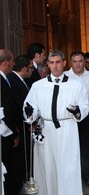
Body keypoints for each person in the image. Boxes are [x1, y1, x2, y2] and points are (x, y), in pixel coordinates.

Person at [23, 50, 89, 195]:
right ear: (47, 64)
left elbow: (85, 105)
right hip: (46, 130)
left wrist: (78, 110)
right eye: (51, 63)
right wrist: (29, 113)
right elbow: (30, 106)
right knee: (47, 165)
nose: (55, 66)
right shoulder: (38, 85)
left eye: (58, 62)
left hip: (67, 129)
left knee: (67, 166)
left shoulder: (75, 85)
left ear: (64, 63)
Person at [65, 51, 89, 186]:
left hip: (87, 115)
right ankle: (72, 175)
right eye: (75, 61)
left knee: (87, 146)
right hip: (70, 116)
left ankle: (87, 175)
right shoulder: (65, 76)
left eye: (80, 61)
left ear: (84, 62)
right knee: (71, 146)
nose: (78, 64)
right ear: (71, 62)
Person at [7, 55, 33, 184]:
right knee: (18, 161)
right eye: (30, 68)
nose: (32, 70)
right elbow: (17, 106)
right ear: (24, 69)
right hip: (20, 127)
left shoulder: (20, 80)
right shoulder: (12, 80)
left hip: (24, 127)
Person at [0, 49, 22, 195]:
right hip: (5, 135)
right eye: (13, 61)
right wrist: (14, 134)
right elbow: (6, 110)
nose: (14, 64)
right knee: (10, 167)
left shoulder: (5, 79)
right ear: (7, 63)